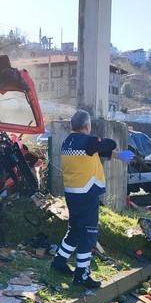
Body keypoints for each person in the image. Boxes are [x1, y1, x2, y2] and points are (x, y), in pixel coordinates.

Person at [51, 110, 117, 289]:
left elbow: (92, 154)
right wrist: (99, 141)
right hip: (87, 195)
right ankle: (82, 274)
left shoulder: (67, 142)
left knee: (74, 230)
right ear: (87, 126)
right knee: (88, 235)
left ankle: (59, 261)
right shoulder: (88, 141)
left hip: (72, 194)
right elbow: (111, 143)